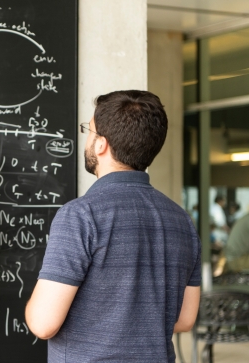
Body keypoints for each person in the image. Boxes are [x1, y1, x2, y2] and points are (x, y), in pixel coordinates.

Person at [25, 90, 201, 362]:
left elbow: (43, 323)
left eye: (89, 130)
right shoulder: (182, 220)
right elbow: (185, 319)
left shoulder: (80, 215)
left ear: (101, 145)